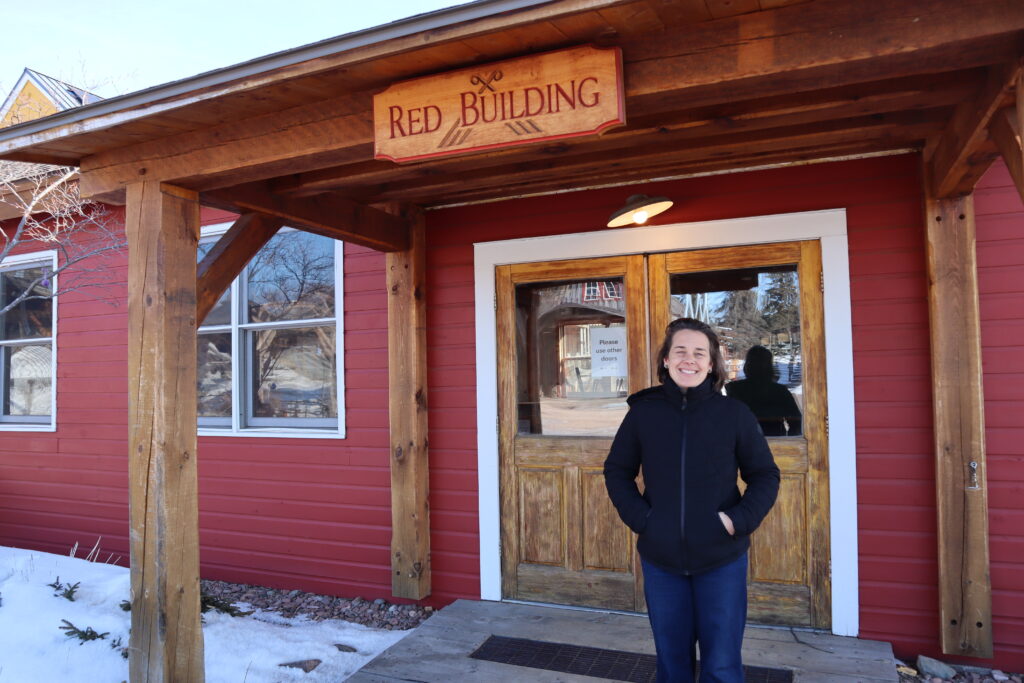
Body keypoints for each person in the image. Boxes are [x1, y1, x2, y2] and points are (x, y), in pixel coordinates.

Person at [604, 318, 780, 683]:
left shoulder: (734, 414)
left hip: (721, 559)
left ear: (711, 364)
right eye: (680, 351)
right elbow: (617, 471)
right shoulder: (643, 413)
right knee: (672, 665)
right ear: (666, 360)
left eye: (699, 353)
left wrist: (736, 521)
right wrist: (643, 520)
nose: (690, 360)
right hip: (661, 560)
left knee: (722, 665)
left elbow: (765, 475)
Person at [725, 345, 802, 436]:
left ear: (747, 365)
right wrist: (787, 441)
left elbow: (726, 421)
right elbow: (796, 423)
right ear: (769, 367)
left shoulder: (734, 389)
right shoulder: (780, 392)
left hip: (745, 441)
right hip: (773, 440)